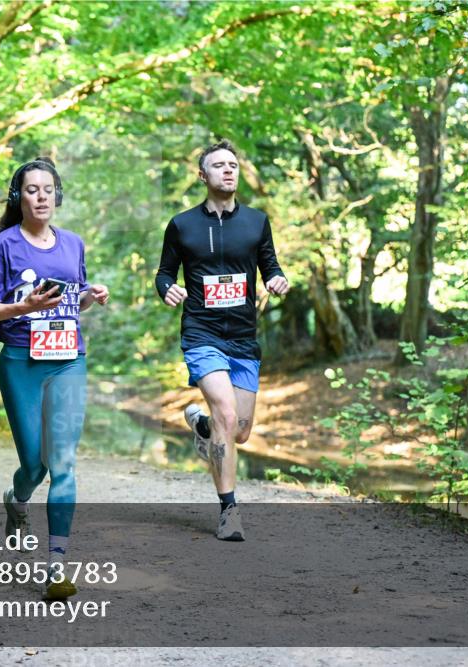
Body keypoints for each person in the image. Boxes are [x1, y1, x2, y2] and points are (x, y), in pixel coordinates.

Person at [0, 157, 109, 600]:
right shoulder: (2, 247)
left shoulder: (73, 244)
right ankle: (16, 499)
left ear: (58, 195)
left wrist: (91, 296)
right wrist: (23, 308)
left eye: (48, 189)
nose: (42, 196)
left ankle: (57, 565)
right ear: (19, 197)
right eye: (32, 189)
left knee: (63, 463)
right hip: (21, 361)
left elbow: (72, 300)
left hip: (69, 359)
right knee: (36, 464)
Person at [155, 139, 290, 541]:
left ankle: (202, 426)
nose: (228, 170)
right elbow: (165, 273)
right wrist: (168, 289)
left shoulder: (256, 221)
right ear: (203, 175)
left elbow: (271, 265)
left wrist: (277, 279)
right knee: (228, 418)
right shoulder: (182, 225)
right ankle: (229, 510)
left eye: (233, 164)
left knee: (240, 431)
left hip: (244, 338)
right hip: (202, 334)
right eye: (219, 165)